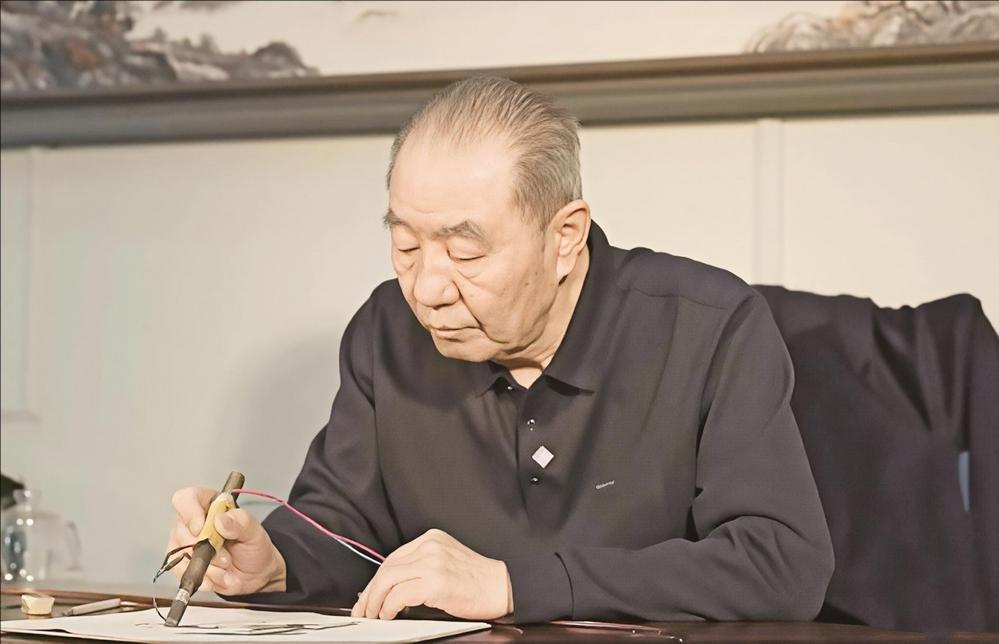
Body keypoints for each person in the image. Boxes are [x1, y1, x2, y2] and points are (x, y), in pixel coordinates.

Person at [166, 76, 834, 624]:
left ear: (564, 236)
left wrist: (513, 584)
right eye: (405, 245)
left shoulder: (707, 328)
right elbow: (343, 525)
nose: (427, 289)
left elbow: (781, 563)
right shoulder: (386, 330)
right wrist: (275, 562)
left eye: (464, 251)